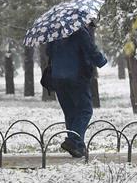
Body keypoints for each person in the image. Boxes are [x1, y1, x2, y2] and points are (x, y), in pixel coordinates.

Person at [46, 22, 107, 157]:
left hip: (57, 77)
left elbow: (48, 52)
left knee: (71, 112)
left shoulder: (54, 32)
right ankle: (73, 141)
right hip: (76, 77)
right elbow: (91, 50)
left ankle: (77, 148)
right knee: (85, 110)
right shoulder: (79, 31)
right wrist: (102, 61)